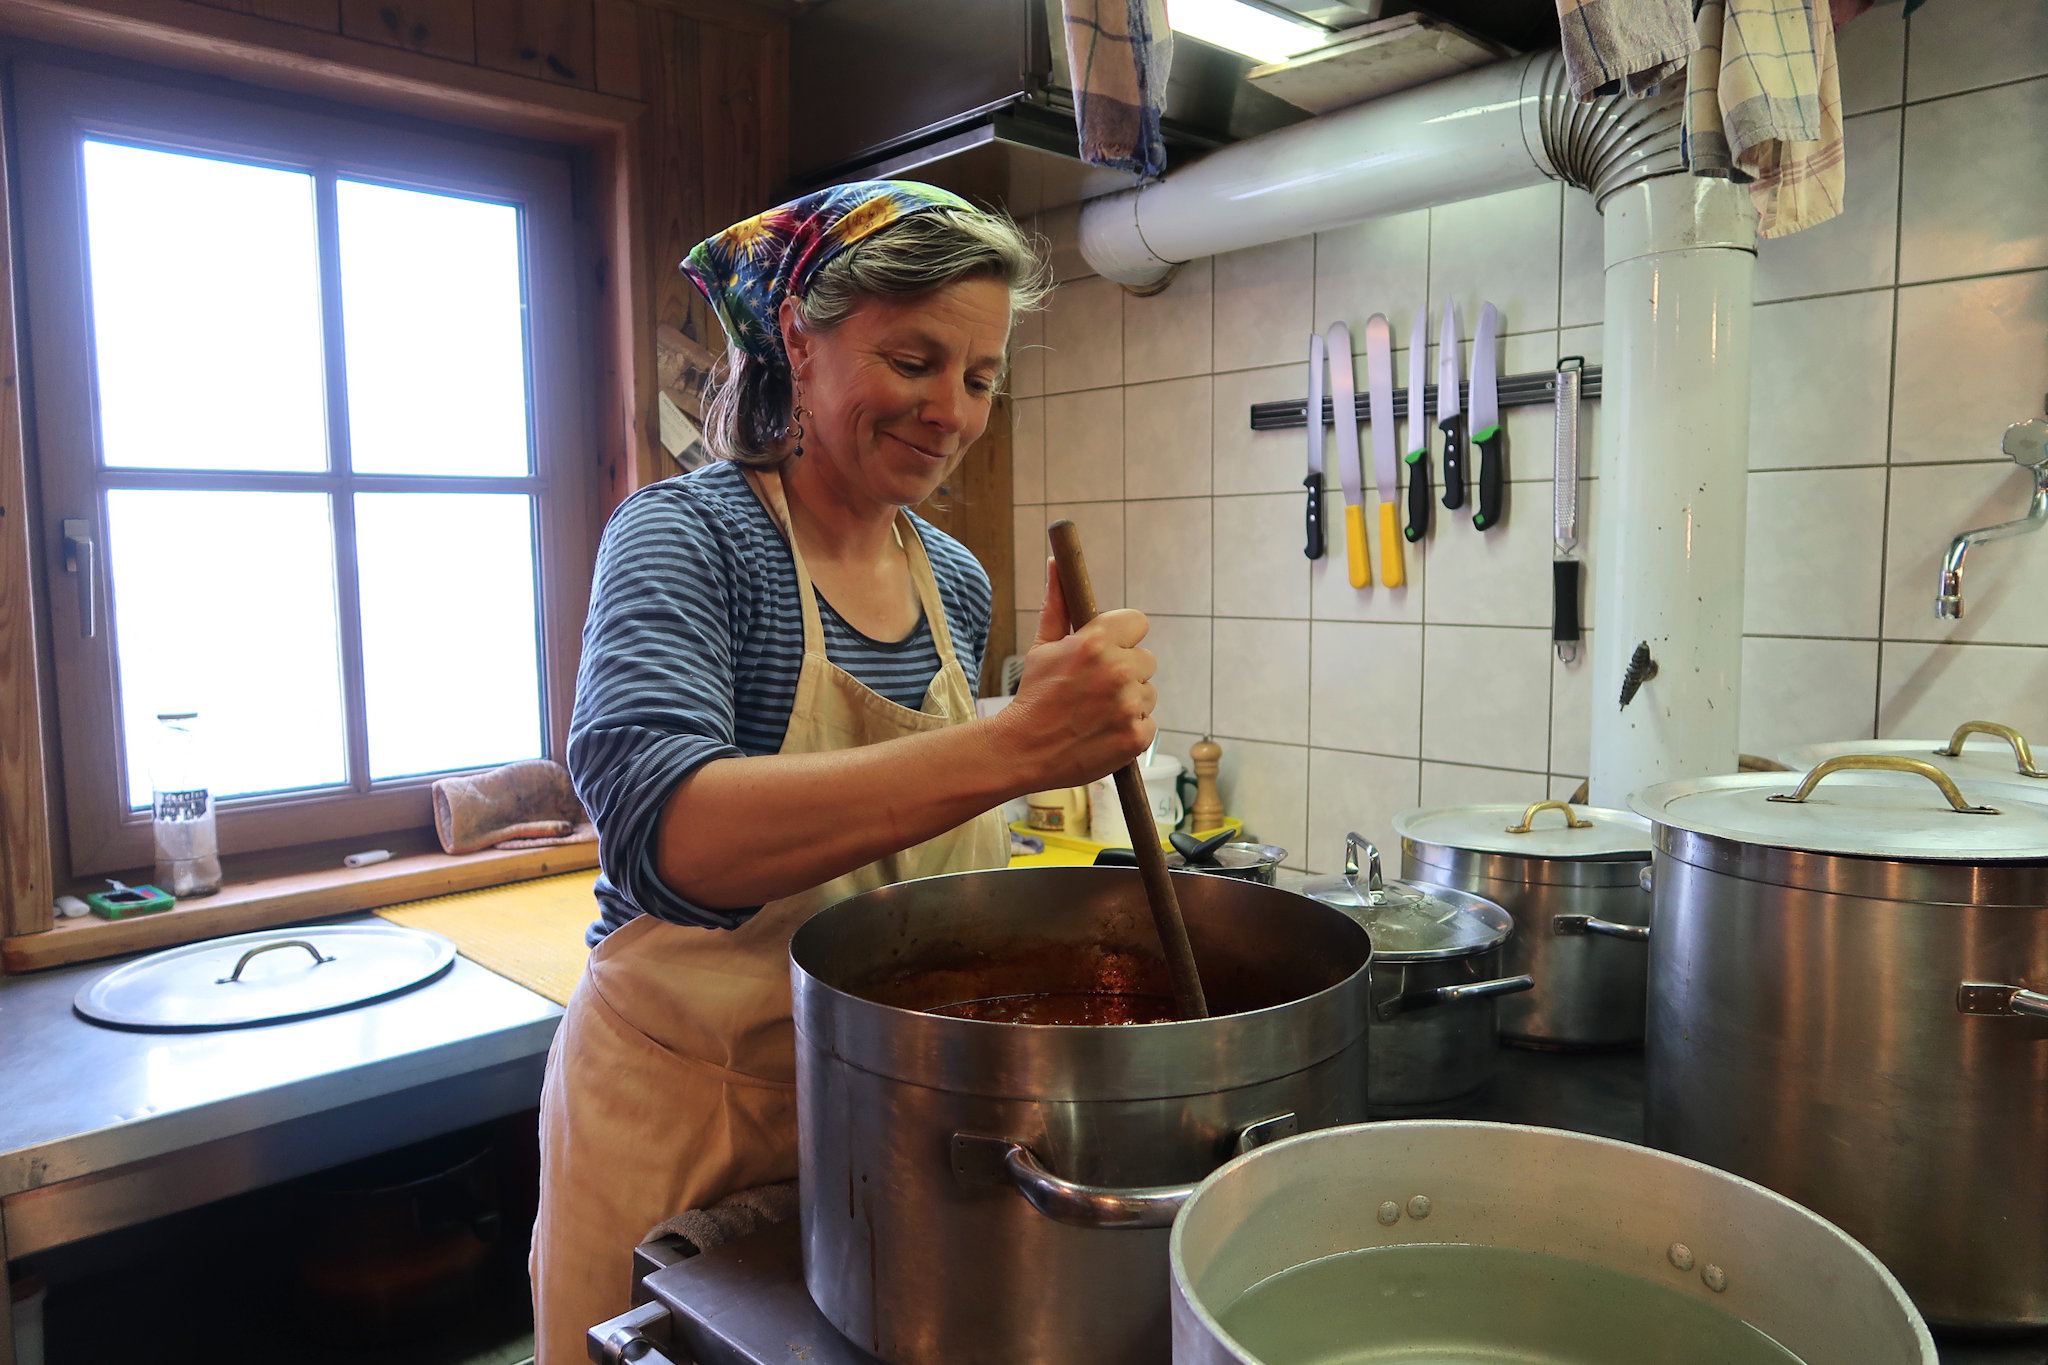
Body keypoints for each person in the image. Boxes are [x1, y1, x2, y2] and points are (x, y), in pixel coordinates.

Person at [528, 180, 1158, 1362]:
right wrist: (1020, 739)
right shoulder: (689, 537)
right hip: (685, 1104)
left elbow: (916, 842)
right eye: (913, 360)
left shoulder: (953, 581)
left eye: (977, 377)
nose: (951, 413)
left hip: (879, 1108)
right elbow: (673, 837)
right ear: (799, 344)